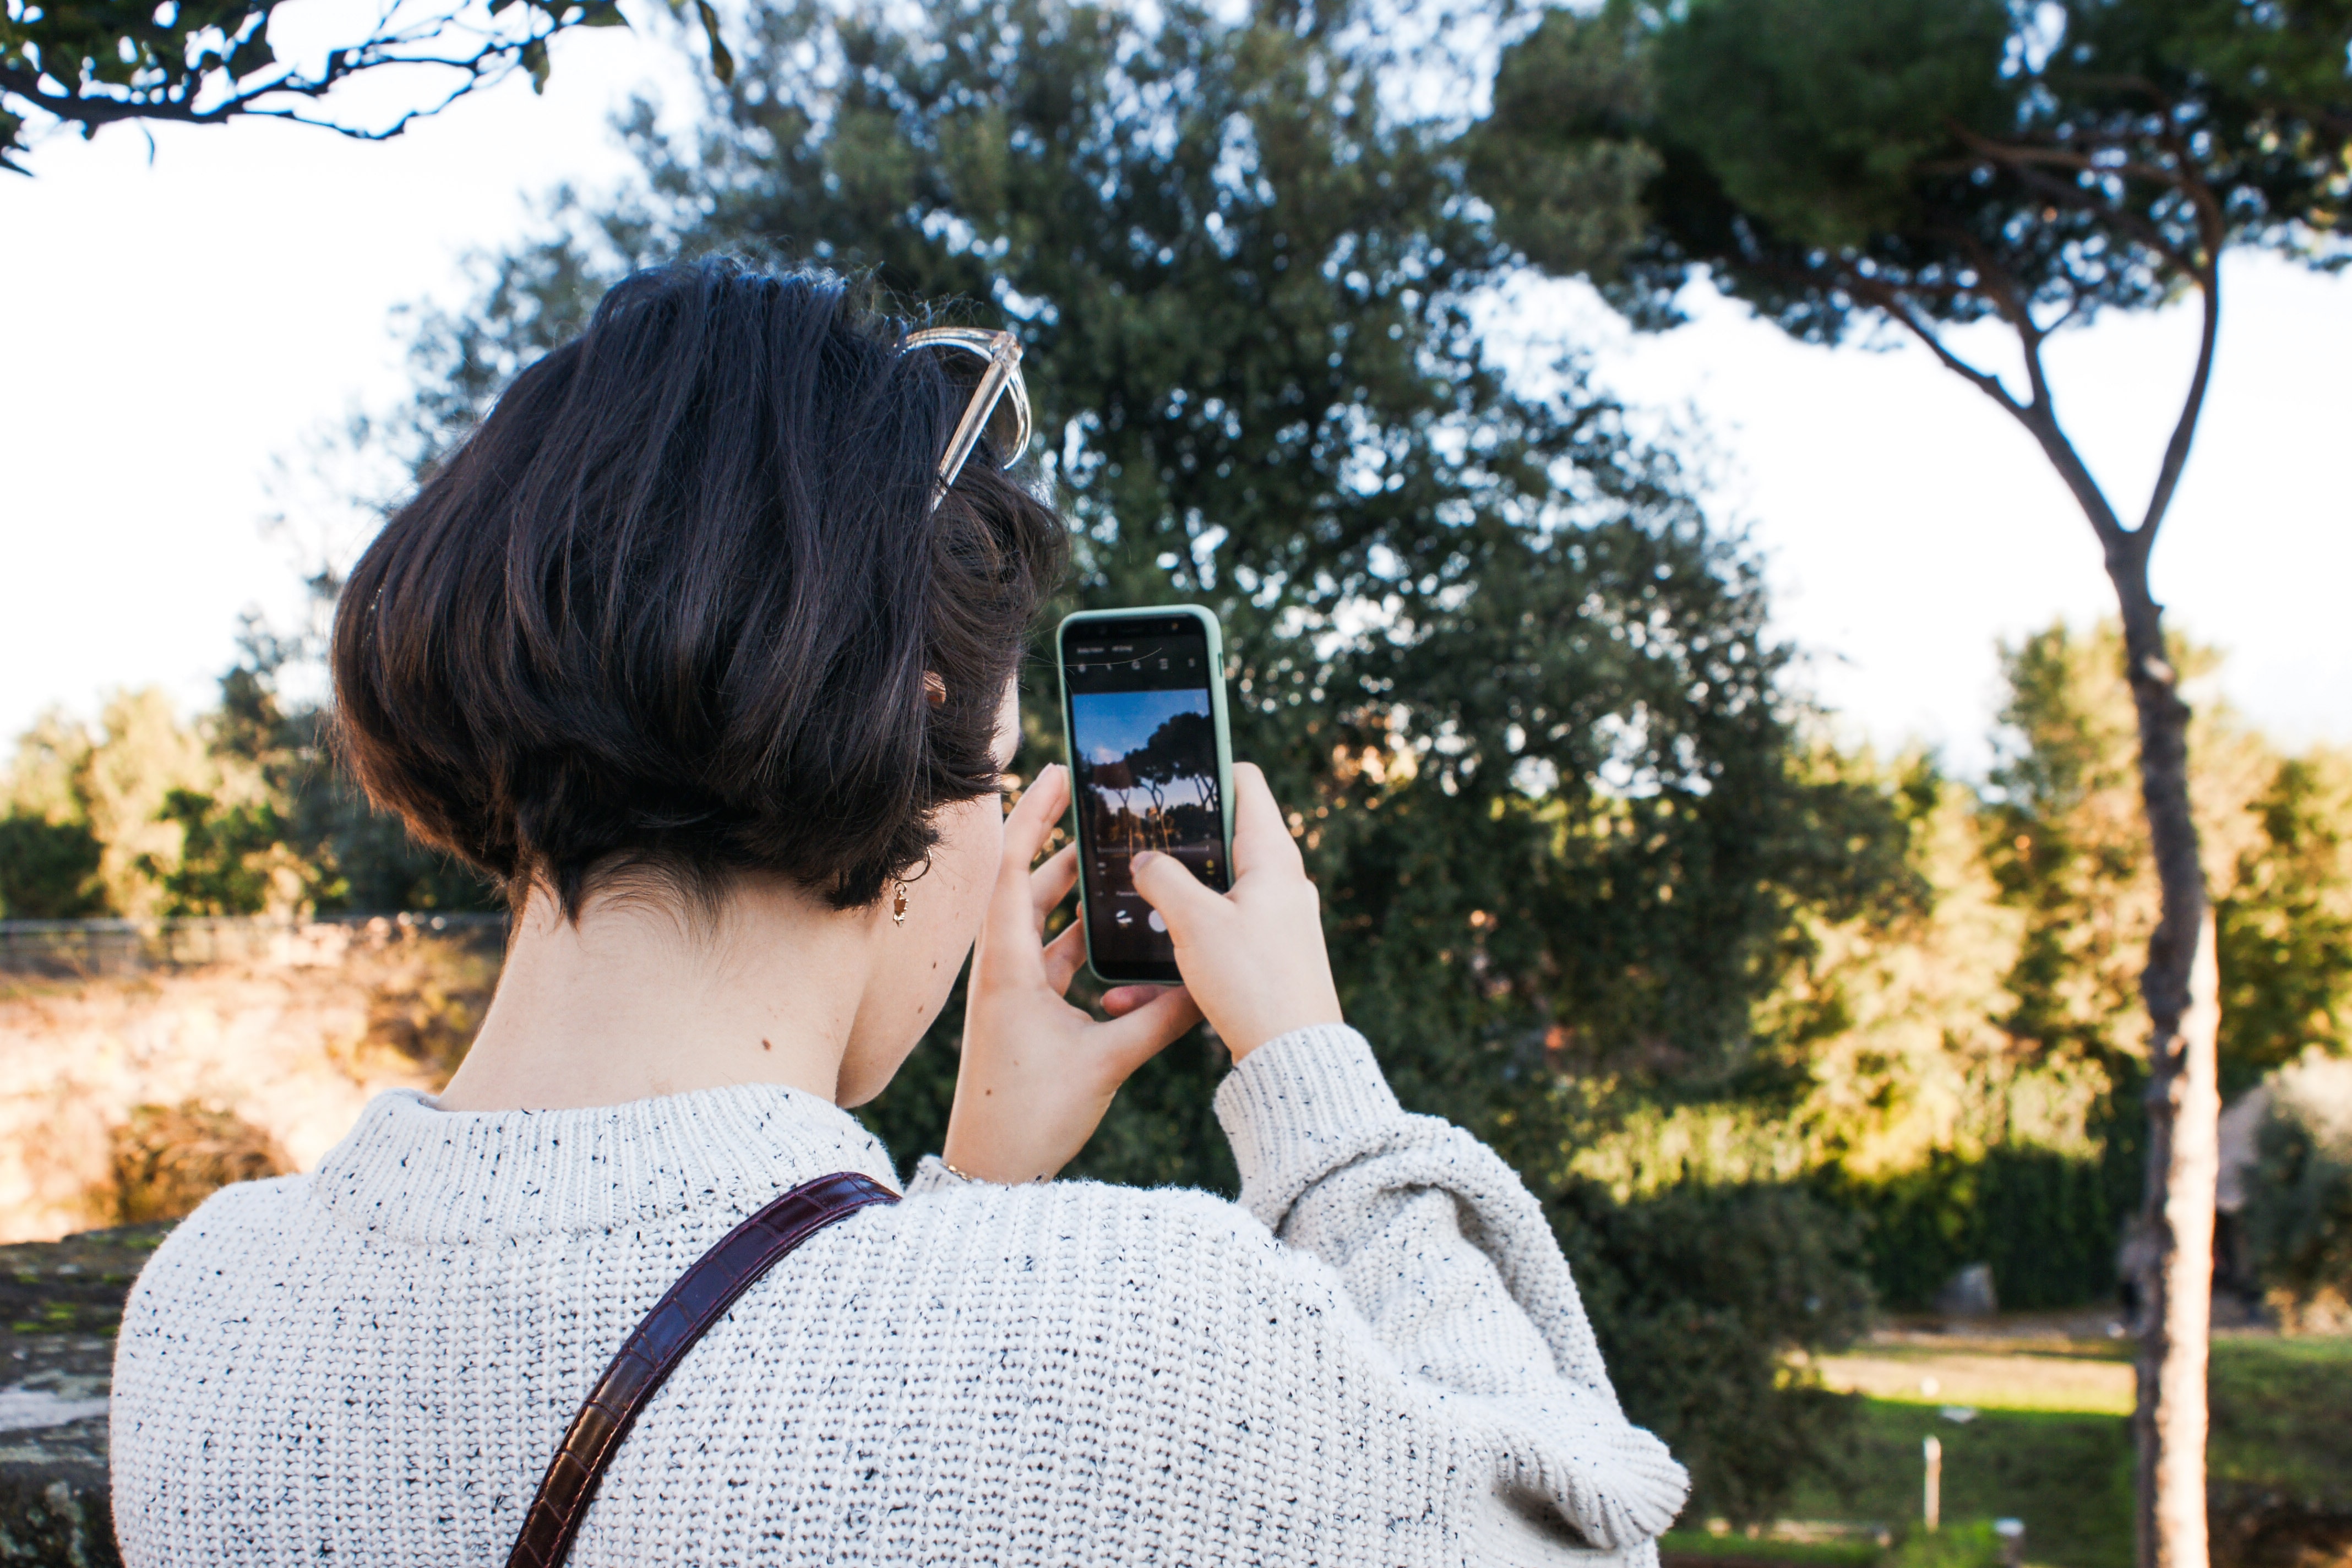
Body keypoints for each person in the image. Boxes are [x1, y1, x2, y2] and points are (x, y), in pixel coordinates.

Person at [108, 259, 1687, 1567]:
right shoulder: (1153, 1342)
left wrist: (974, 1200)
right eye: (998, 779)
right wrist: (1312, 1075)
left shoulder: (199, 1312)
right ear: (910, 711)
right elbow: (1590, 1539)